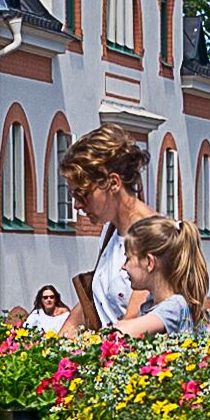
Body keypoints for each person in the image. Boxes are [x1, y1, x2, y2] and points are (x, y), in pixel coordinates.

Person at [59, 122, 150, 334]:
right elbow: (93, 304)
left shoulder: (153, 237)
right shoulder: (111, 232)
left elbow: (133, 321)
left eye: (83, 194)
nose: (77, 205)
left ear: (113, 183)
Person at [116, 213, 210, 341]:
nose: (123, 266)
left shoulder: (175, 305)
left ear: (150, 263)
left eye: (128, 258)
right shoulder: (154, 302)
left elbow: (125, 332)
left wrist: (119, 326)